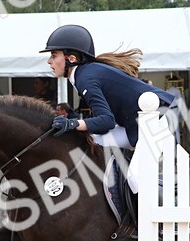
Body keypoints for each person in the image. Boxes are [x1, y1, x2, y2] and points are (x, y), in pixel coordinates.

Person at [41, 24, 176, 195]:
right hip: (134, 126)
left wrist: (73, 123)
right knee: (88, 142)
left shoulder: (85, 77)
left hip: (155, 122)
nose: (49, 61)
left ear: (72, 58)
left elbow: (106, 121)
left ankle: (173, 205)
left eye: (54, 55)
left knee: (135, 179)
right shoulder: (83, 74)